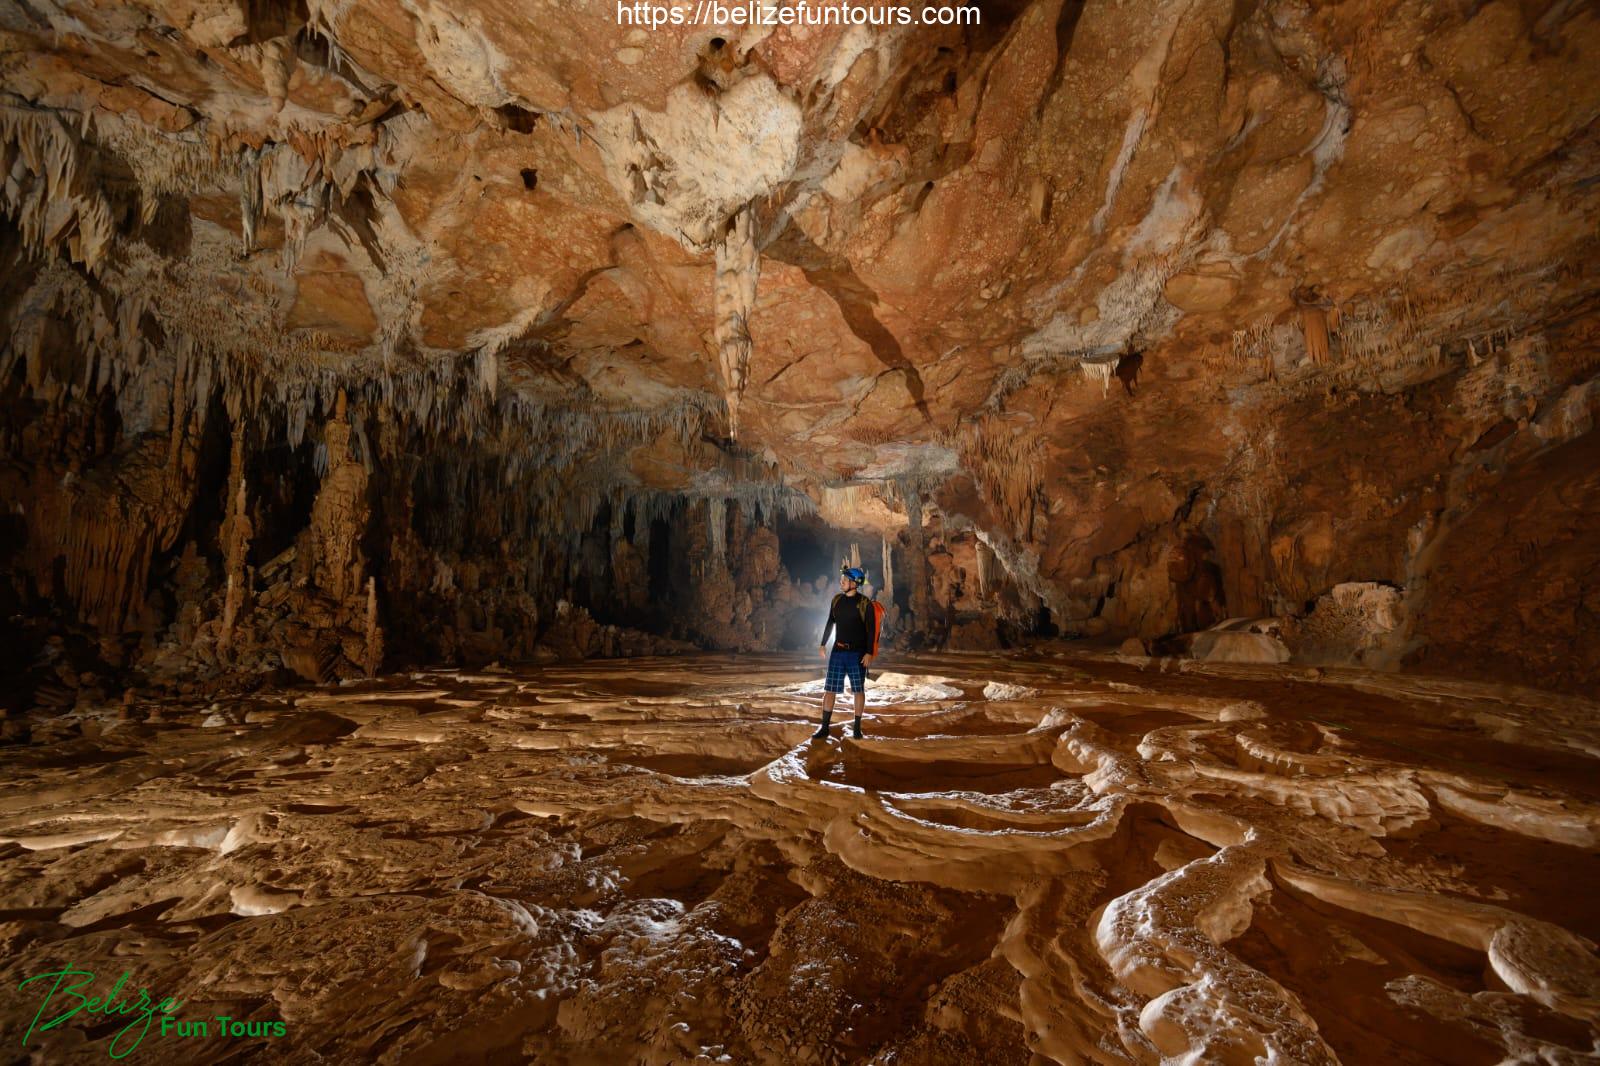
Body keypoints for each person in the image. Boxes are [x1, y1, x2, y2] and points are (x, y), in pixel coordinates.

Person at [814, 563, 881, 740]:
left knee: (858, 690)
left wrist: (868, 652)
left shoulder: (864, 603)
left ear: (854, 583)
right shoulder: (836, 600)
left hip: (857, 653)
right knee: (829, 690)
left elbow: (871, 629)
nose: (841, 581)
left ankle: (857, 727)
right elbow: (830, 622)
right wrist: (823, 644)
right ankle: (825, 727)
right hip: (838, 651)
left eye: (845, 579)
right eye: (842, 579)